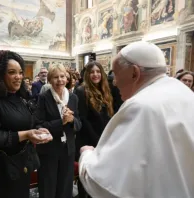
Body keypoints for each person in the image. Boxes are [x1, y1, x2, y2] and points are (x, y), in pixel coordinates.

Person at [79, 41, 194, 198]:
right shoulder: (183, 92)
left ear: (134, 73)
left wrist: (86, 156)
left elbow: (102, 184)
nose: (114, 82)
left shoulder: (140, 105)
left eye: (117, 74)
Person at [0, 50, 53, 198]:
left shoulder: (22, 99)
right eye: (12, 72)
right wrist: (27, 134)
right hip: (1, 168)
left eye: (20, 72)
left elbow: (32, 122)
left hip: (22, 163)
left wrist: (39, 129)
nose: (18, 77)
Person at [35, 63, 81, 198]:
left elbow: (79, 123)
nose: (59, 80)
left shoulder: (73, 98)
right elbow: (38, 124)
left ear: (67, 79)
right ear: (49, 80)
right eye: (55, 77)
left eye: (62, 76)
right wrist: (61, 122)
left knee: (65, 186)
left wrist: (72, 120)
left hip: (68, 149)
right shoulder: (44, 97)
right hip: (49, 150)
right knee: (48, 186)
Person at [74, 61, 114, 198]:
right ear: (87, 75)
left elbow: (108, 115)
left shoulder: (105, 89)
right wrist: (97, 141)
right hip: (88, 140)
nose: (95, 74)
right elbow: (83, 120)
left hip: (103, 138)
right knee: (86, 175)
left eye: (98, 72)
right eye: (92, 72)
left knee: (99, 175)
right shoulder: (81, 90)